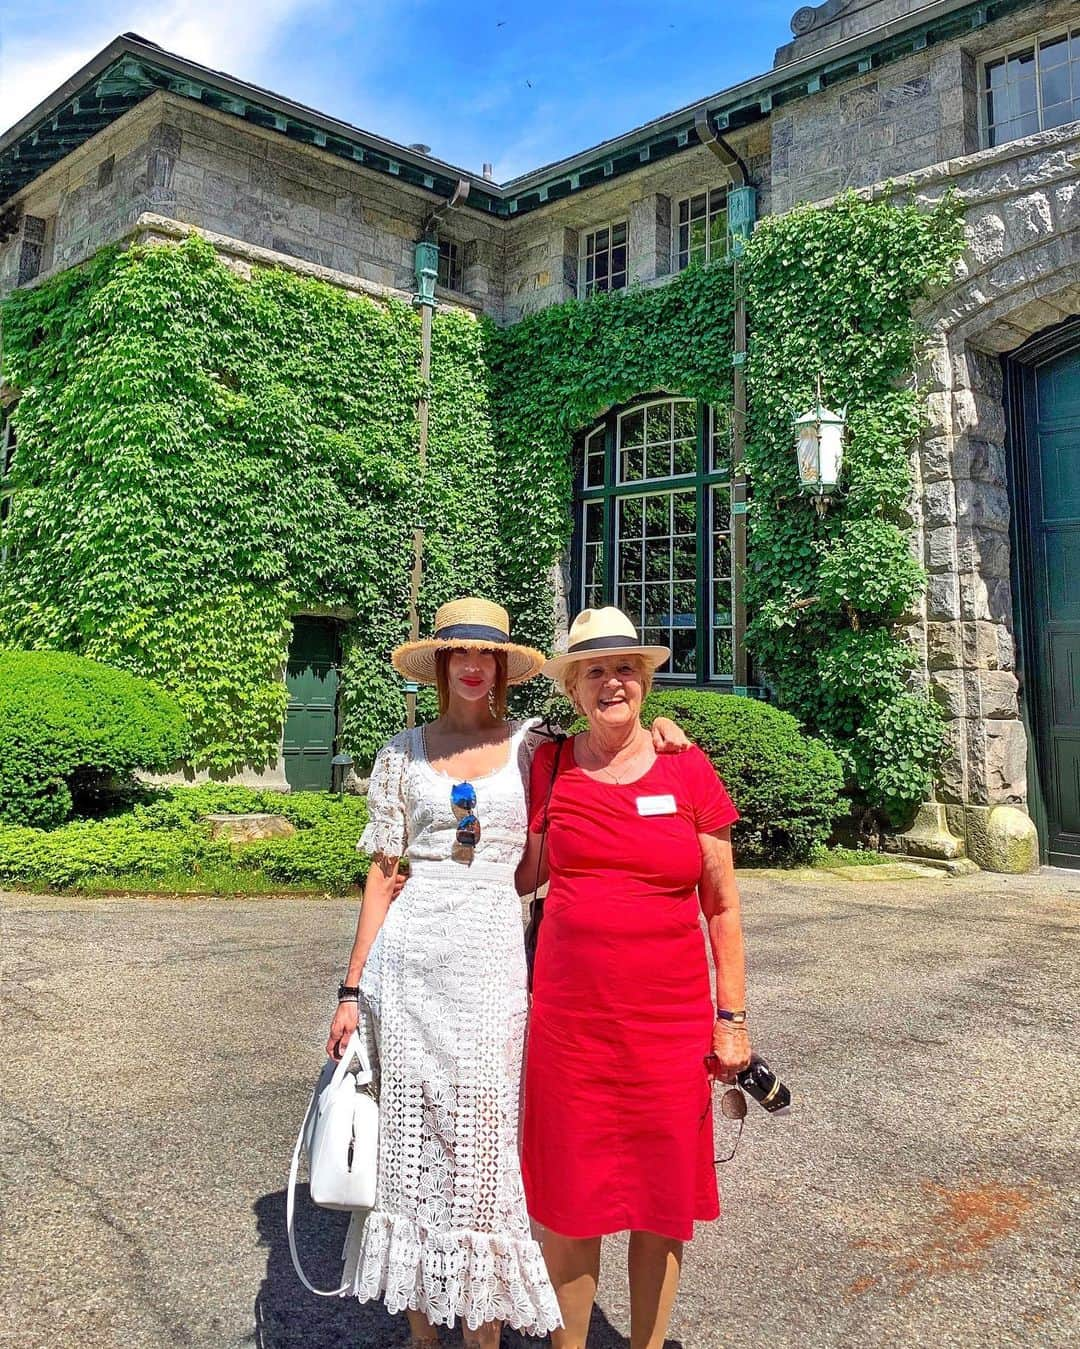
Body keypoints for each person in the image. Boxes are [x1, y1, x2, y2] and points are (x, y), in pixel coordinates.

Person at [325, 597, 687, 1348]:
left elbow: (609, 742)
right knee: (412, 1145)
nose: (471, 665)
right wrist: (352, 987)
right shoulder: (402, 753)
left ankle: (483, 1333)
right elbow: (382, 872)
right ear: (439, 665)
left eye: (484, 655)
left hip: (492, 961)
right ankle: (426, 1334)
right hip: (410, 964)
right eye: (457, 654)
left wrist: (662, 730)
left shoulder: (535, 746)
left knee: (485, 1148)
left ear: (502, 669)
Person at [517, 606, 752, 1349]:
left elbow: (722, 906)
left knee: (660, 1198)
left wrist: (733, 1016)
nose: (612, 682)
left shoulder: (688, 767)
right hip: (571, 1025)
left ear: (646, 681)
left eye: (625, 668)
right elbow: (521, 875)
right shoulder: (550, 765)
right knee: (570, 1201)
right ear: (572, 689)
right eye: (595, 670)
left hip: (670, 1025)